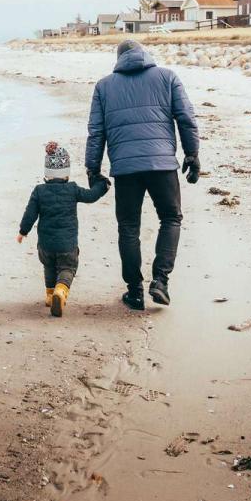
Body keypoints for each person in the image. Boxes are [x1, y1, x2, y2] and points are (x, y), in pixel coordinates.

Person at [84, 40, 200, 310]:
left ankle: (135, 292)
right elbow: (186, 118)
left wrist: (93, 169)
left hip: (125, 169)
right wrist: (192, 154)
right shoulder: (167, 77)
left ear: (118, 58)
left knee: (128, 227)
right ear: (144, 54)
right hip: (162, 164)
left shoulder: (104, 86)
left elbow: (96, 132)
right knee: (170, 218)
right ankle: (160, 281)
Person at [17, 141, 109, 317]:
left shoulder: (39, 191)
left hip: (45, 245)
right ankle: (61, 291)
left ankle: (50, 296)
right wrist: (102, 186)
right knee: (67, 268)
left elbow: (30, 214)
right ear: (66, 173)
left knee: (49, 267)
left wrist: (23, 231)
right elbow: (91, 196)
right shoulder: (72, 189)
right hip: (67, 245)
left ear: (47, 173)